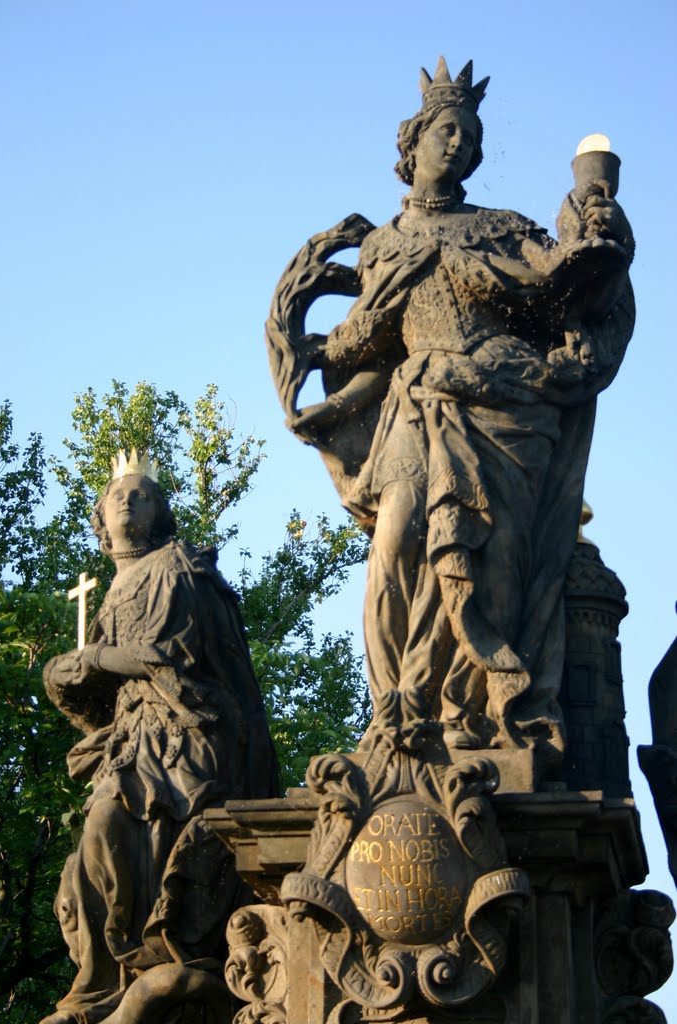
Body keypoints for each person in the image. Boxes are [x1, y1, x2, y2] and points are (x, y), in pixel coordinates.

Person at [277, 58, 635, 768]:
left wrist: (594, 207)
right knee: (396, 546)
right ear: (412, 145)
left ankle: (479, 714)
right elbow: (360, 345)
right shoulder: (383, 245)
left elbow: (570, 280)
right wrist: (321, 350)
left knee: (499, 558)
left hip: (505, 408)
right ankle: (397, 710)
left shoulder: (501, 228)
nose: (459, 146)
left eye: (469, 138)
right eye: (446, 132)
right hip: (418, 404)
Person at [42, 451, 279, 1024]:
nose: (128, 499)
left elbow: (165, 657)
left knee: (109, 824)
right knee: (94, 844)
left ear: (160, 514)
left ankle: (147, 962)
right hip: (135, 740)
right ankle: (101, 985)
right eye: (118, 494)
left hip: (185, 735)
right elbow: (103, 699)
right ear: (101, 516)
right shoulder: (110, 588)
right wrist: (68, 677)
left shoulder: (174, 566)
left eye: (142, 494)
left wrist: (90, 659)